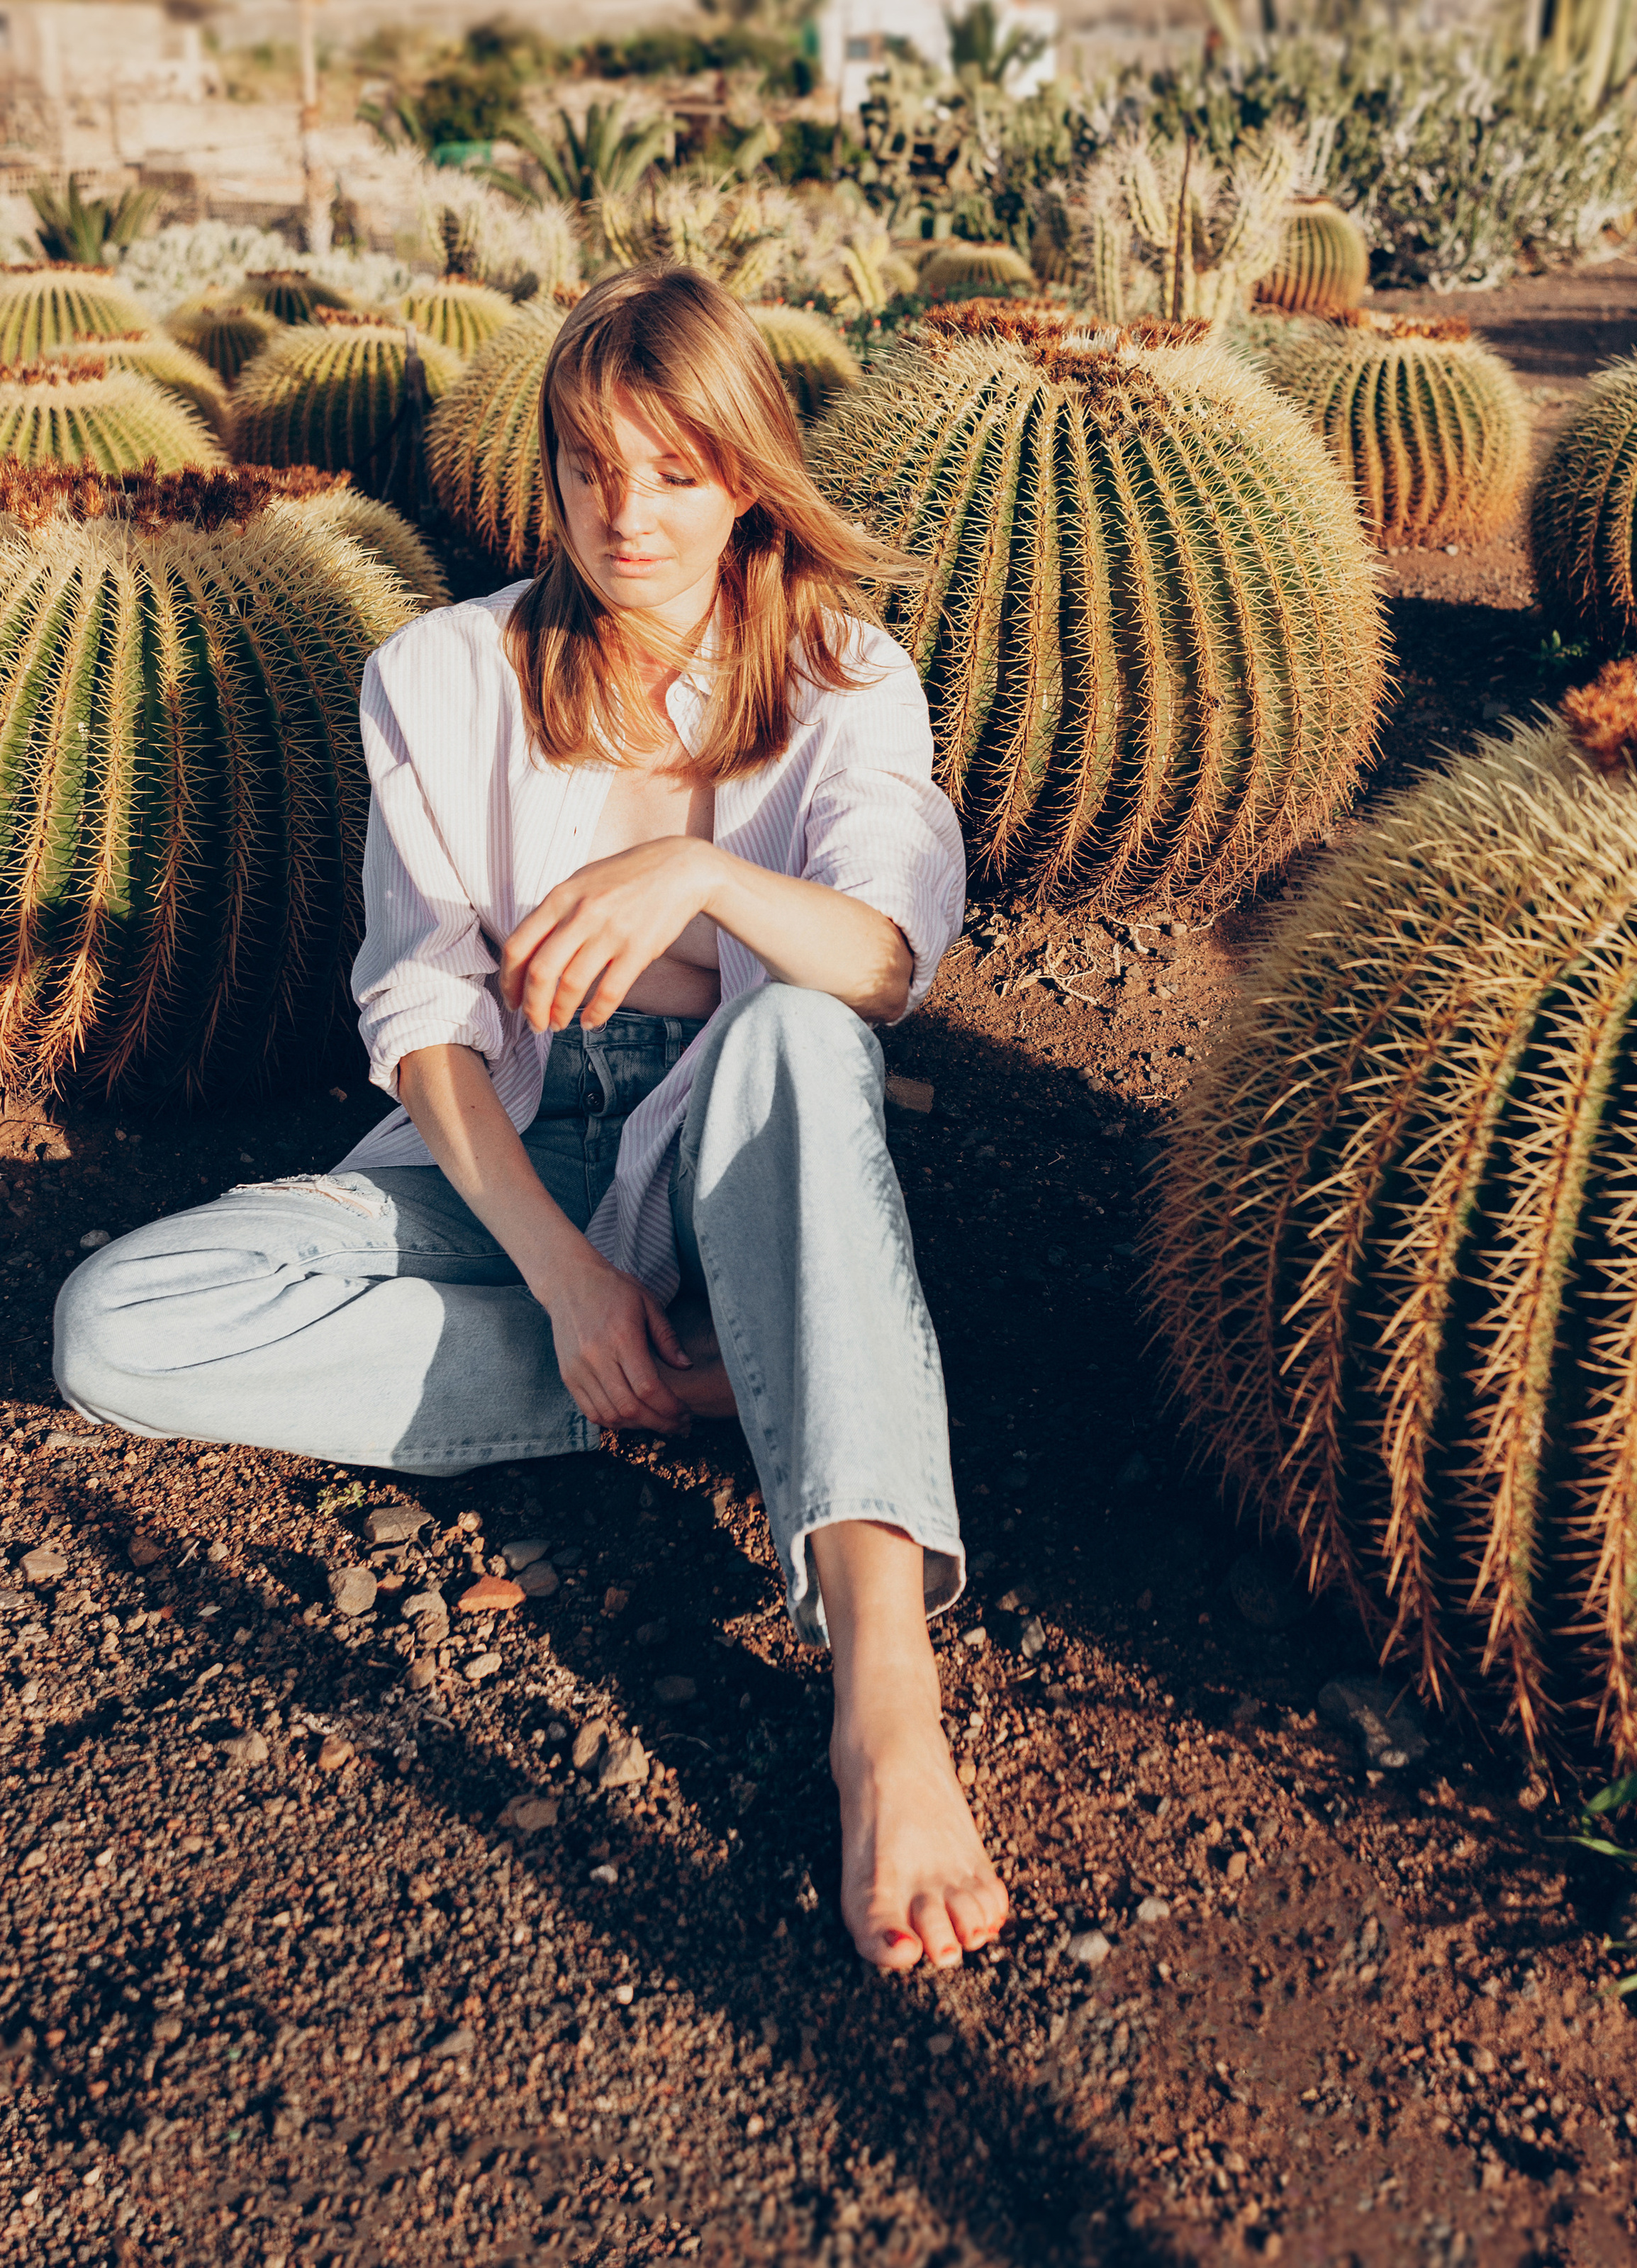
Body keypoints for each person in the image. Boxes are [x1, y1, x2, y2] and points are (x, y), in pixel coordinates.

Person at [53, 265, 1009, 1973]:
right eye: (588, 467)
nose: (625, 514)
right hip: (507, 1143)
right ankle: (726, 1378)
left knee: (790, 1025)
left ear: (747, 475)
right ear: (550, 468)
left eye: (673, 469)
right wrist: (565, 1277)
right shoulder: (440, 674)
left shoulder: (848, 677)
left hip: (747, 1128)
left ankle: (880, 1681)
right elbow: (423, 1009)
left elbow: (879, 962)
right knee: (115, 1323)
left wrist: (700, 870)